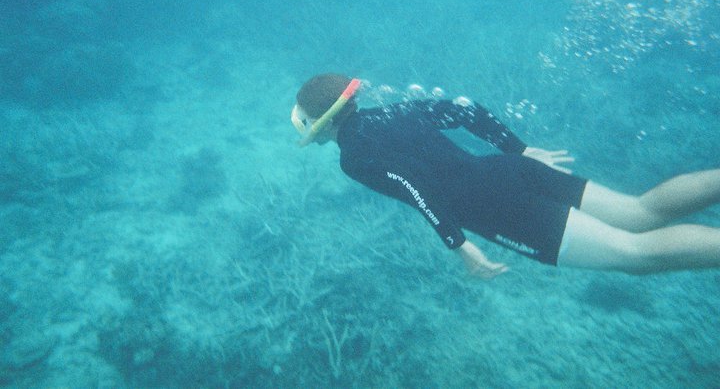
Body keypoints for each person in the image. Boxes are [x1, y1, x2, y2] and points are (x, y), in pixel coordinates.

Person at [290, 73, 720, 278]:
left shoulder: (353, 158)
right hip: (506, 169)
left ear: (323, 123)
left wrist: (458, 245)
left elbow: (411, 188)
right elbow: (465, 110)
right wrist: (519, 149)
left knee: (635, 253)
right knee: (640, 211)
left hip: (497, 209)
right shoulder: (394, 108)